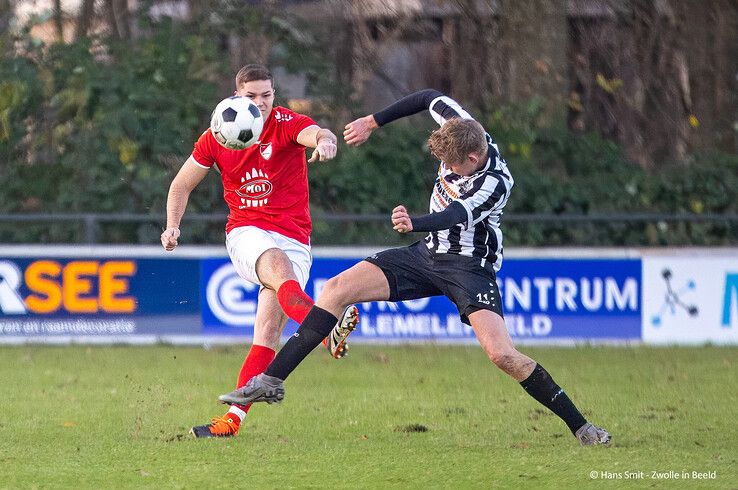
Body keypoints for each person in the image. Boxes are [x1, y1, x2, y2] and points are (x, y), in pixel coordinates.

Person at [219, 89, 611, 446]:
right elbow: (428, 97)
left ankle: (582, 427)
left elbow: (456, 214)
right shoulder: (461, 125)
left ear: (472, 160)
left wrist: (414, 222)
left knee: (502, 355)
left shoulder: (496, 181)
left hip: (469, 269)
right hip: (424, 256)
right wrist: (373, 121)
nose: (445, 170)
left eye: (452, 166)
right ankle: (270, 381)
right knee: (335, 290)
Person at [161, 64, 359, 438]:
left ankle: (230, 421)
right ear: (236, 97)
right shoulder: (218, 133)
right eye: (252, 96)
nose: (261, 103)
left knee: (266, 334)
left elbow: (316, 132)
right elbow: (180, 186)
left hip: (296, 237)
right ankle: (324, 325)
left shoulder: (286, 123)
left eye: (267, 95)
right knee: (276, 265)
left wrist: (327, 141)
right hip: (246, 232)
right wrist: (173, 226)